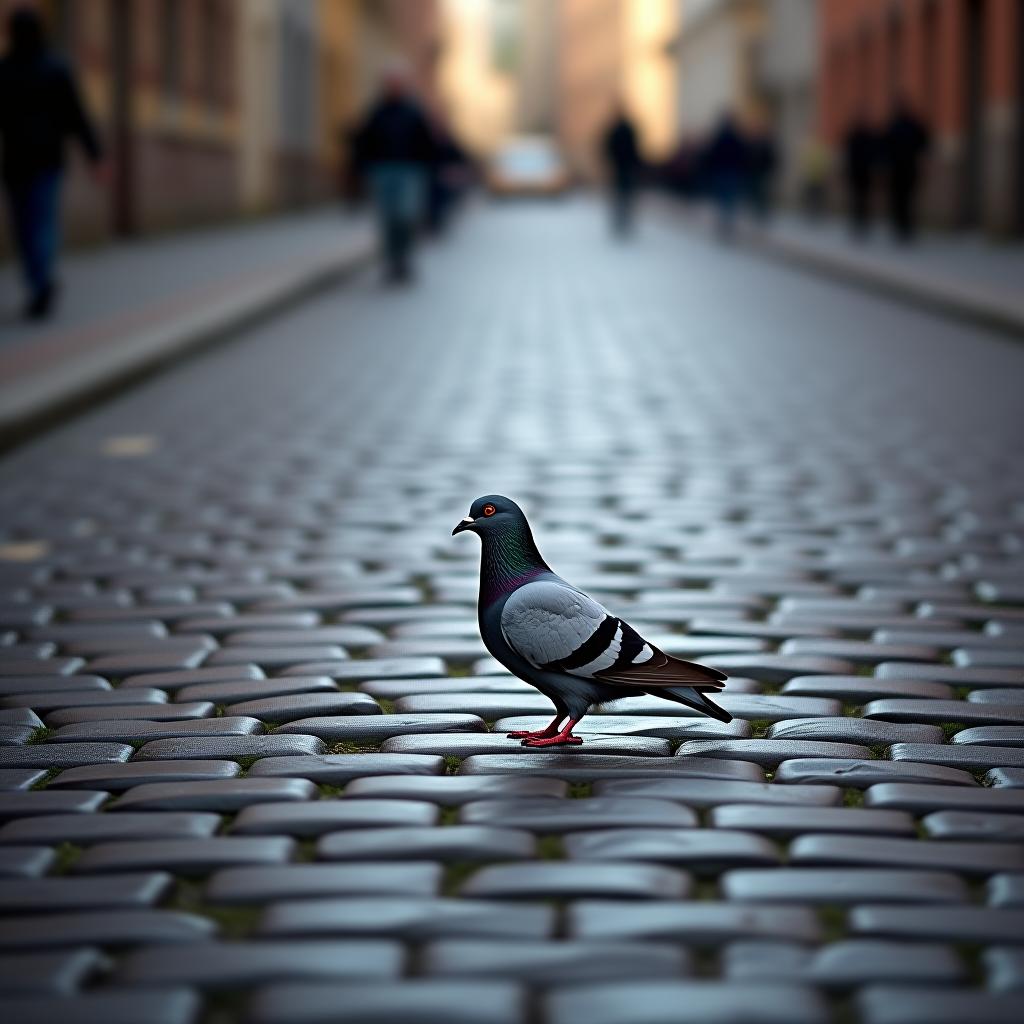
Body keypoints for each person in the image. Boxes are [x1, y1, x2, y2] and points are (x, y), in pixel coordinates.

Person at [0, 6, 103, 318]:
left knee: (27, 226)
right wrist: (94, 154)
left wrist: (94, 153)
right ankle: (41, 281)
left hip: (20, 162)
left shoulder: (7, 70)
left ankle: (40, 283)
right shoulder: (55, 68)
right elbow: (77, 116)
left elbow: (74, 114)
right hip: (45, 161)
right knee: (40, 223)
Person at [352, 69, 435, 283]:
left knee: (405, 216)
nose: (394, 87)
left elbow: (427, 143)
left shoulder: (414, 112)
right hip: (382, 171)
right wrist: (362, 168)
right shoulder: (377, 112)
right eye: (390, 84)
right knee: (387, 219)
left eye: (397, 83)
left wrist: (428, 168)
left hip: (410, 171)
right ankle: (392, 262)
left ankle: (404, 258)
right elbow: (364, 142)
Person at [883, 99, 930, 242]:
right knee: (904, 200)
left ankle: (903, 228)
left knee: (902, 200)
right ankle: (903, 228)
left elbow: (923, 141)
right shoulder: (904, 125)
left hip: (902, 169)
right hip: (904, 169)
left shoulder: (898, 126)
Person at [704, 113, 747, 241]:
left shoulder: (720, 137)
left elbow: (712, 154)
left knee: (723, 198)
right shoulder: (737, 138)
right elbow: (743, 155)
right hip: (732, 172)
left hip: (722, 172)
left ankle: (724, 221)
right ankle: (727, 221)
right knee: (729, 198)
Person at [602, 107, 641, 237]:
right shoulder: (626, 129)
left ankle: (621, 222)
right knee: (625, 196)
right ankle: (623, 221)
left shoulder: (616, 130)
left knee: (620, 196)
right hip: (625, 168)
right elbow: (635, 149)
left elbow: (607, 147)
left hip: (620, 168)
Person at [843, 116, 878, 238]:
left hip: (859, 172)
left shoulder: (857, 136)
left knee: (859, 199)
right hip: (861, 172)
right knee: (861, 199)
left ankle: (860, 223)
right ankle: (860, 223)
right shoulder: (863, 136)